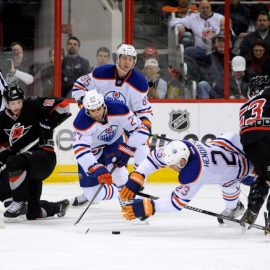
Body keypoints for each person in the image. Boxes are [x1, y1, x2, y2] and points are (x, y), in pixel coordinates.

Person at [71, 44, 152, 206]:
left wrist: (140, 130)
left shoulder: (139, 84)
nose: (126, 62)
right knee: (93, 190)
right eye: (123, 58)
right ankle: (119, 192)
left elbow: (144, 114)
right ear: (117, 58)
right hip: (96, 137)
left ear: (134, 61)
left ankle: (133, 187)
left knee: (139, 149)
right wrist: (87, 106)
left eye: (130, 59)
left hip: (118, 123)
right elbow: (79, 86)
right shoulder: (100, 73)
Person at [120, 132, 253, 225]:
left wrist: (151, 206)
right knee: (227, 180)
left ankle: (235, 207)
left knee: (228, 183)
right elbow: (156, 156)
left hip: (242, 172)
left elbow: (175, 203)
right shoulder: (182, 148)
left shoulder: (196, 172)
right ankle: (235, 206)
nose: (170, 168)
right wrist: (138, 175)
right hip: (230, 148)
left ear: (182, 162)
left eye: (172, 166)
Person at [0, 84, 71, 220]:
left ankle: (19, 202)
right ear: (6, 103)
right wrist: (5, 156)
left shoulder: (33, 104)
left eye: (19, 102)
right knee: (33, 213)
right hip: (25, 166)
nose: (16, 106)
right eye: (12, 103)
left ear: (23, 100)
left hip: (44, 157)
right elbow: (2, 144)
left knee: (14, 162)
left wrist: (50, 122)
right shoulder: (2, 119)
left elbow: (64, 105)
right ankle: (57, 207)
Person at [72, 90, 150, 204]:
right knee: (92, 195)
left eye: (99, 109)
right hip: (93, 151)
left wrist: (128, 148)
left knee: (119, 173)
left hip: (113, 143)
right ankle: (123, 190)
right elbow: (80, 149)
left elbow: (141, 130)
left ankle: (128, 201)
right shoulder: (80, 122)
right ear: (87, 110)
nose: (97, 113)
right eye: (93, 111)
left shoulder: (118, 108)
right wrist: (95, 167)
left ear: (104, 105)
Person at [239, 75, 270, 234]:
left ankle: (252, 208)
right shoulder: (266, 94)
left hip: (249, 145)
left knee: (263, 177)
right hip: (266, 137)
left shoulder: (245, 105)